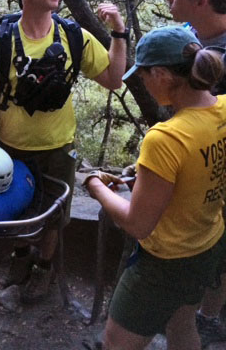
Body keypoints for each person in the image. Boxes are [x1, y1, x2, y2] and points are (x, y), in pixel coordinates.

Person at [0, 0, 128, 303]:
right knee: (16, 212)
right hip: (11, 149)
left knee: (56, 216)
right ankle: (20, 259)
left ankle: (44, 269)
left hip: (60, 147)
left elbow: (114, 80)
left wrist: (119, 33)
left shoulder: (74, 37)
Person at [84, 26, 226, 350]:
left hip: (165, 263)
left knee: (116, 342)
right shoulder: (224, 109)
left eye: (145, 76)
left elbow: (137, 223)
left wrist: (94, 185)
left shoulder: (166, 138)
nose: (144, 84)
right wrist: (150, 178)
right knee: (182, 320)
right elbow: (200, 171)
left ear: (161, 74)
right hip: (209, 243)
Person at [165, 0, 226, 344]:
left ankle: (203, 317)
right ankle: (208, 314)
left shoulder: (217, 62)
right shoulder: (195, 34)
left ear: (201, 1)